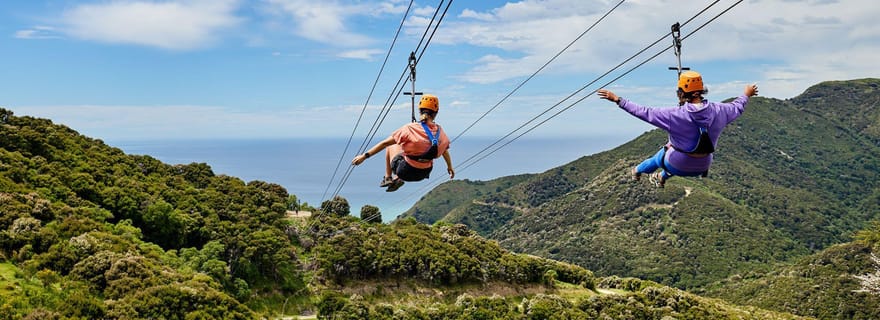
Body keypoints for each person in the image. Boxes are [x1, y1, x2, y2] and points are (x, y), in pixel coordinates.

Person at [597, 71, 759, 187]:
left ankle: (637, 171)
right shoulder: (720, 110)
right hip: (704, 165)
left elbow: (644, 112)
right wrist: (747, 94)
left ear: (682, 93)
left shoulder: (674, 114)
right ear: (701, 91)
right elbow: (737, 106)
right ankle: (661, 177)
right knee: (679, 156)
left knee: (662, 156)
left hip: (677, 163)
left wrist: (618, 100)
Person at [351, 94, 455, 192]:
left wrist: (364, 156)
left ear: (420, 111)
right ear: (436, 112)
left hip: (405, 171)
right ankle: (396, 178)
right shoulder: (441, 133)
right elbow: (444, 151)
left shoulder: (410, 128)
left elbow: (384, 143)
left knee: (392, 144)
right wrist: (450, 167)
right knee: (410, 150)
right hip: (424, 173)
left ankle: (388, 177)